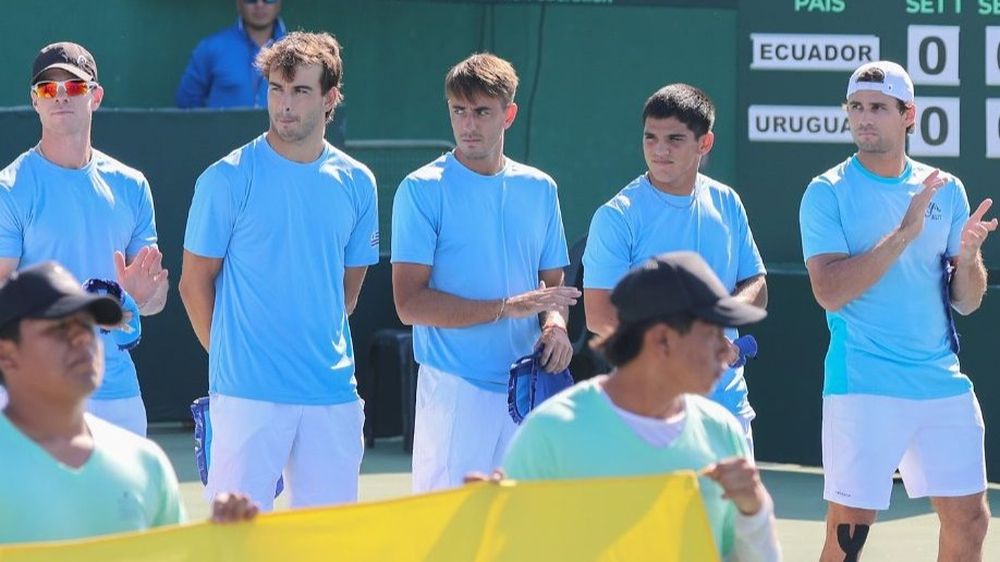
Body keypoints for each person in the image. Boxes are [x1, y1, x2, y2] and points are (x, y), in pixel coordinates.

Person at [799, 61, 994, 561]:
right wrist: (905, 234)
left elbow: (965, 301)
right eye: (857, 108)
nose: (865, 118)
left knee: (970, 519)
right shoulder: (826, 192)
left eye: (878, 108)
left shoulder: (945, 189)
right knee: (850, 531)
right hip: (862, 383)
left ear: (908, 115)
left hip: (939, 382)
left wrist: (969, 258)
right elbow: (829, 291)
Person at [180, 31, 377, 512]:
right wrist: (234, 355)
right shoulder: (225, 178)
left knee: (326, 545)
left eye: (300, 91)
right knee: (235, 544)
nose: (284, 104)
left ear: (330, 98)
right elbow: (193, 284)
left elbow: (347, 294)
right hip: (245, 397)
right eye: (276, 89)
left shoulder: (358, 183)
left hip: (331, 395)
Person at [500, 252, 781, 561]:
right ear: (662, 340)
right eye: (712, 334)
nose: (726, 348)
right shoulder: (550, 433)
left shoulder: (723, 432)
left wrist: (753, 513)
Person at [391, 52, 580, 493]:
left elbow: (553, 286)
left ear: (508, 115)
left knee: (518, 536)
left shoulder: (539, 188)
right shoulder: (420, 190)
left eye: (481, 112)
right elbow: (409, 304)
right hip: (454, 389)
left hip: (526, 389)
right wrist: (507, 308)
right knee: (447, 535)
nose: (468, 124)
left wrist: (554, 327)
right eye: (459, 110)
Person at [0, 262, 256, 545]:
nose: (81, 337)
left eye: (87, 323)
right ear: (6, 356)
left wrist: (224, 546)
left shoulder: (146, 462)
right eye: (59, 328)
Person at [582, 84, 766, 448]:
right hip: (648, 414)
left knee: (736, 507)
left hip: (727, 408)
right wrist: (690, 347)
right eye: (650, 138)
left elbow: (756, 286)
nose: (659, 150)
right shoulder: (617, 216)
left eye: (675, 139)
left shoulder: (727, 202)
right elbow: (599, 315)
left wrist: (715, 330)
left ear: (705, 143)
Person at [0, 42, 169, 437]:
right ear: (35, 101)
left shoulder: (131, 186)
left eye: (73, 88)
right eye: (48, 89)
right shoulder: (9, 189)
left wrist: (142, 296)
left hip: (118, 393)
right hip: (35, 395)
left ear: (95, 97)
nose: (60, 96)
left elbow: (154, 299)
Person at [175, 0, 287, 108]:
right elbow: (187, 106)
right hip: (221, 128)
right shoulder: (211, 48)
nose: (259, 4)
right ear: (238, 3)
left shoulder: (295, 50)